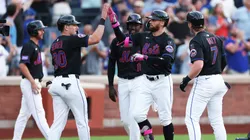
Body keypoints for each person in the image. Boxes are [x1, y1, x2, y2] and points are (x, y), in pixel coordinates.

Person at [108, 8, 176, 140]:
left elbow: (166, 61)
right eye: (149, 19)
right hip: (145, 80)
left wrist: (144, 58)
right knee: (137, 114)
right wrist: (114, 23)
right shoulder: (143, 36)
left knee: (165, 118)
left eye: (153, 20)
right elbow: (122, 40)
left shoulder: (168, 41)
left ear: (162, 23)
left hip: (162, 81)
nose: (149, 22)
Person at [47, 3, 110, 140]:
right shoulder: (72, 39)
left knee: (57, 125)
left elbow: (65, 62)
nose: (77, 27)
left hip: (57, 82)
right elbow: (95, 38)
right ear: (66, 27)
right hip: (70, 83)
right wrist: (103, 18)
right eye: (73, 25)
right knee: (82, 122)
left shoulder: (54, 43)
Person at [179, 11, 230, 140]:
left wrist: (186, 79)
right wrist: (216, 73)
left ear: (190, 24)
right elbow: (224, 61)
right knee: (217, 120)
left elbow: (198, 65)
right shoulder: (217, 38)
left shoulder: (196, 41)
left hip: (205, 82)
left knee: (191, 118)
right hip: (218, 80)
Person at [108, 13, 143, 140]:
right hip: (122, 81)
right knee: (125, 120)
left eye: (136, 24)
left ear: (141, 26)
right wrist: (111, 85)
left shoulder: (144, 40)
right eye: (131, 24)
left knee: (134, 116)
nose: (133, 27)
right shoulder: (116, 41)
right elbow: (111, 64)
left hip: (139, 80)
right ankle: (137, 136)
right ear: (127, 25)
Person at [12, 20, 49, 140]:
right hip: (29, 83)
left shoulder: (35, 46)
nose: (43, 31)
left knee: (24, 115)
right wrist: (33, 82)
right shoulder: (28, 46)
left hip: (32, 82)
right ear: (34, 31)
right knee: (39, 114)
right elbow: (22, 65)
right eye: (40, 29)